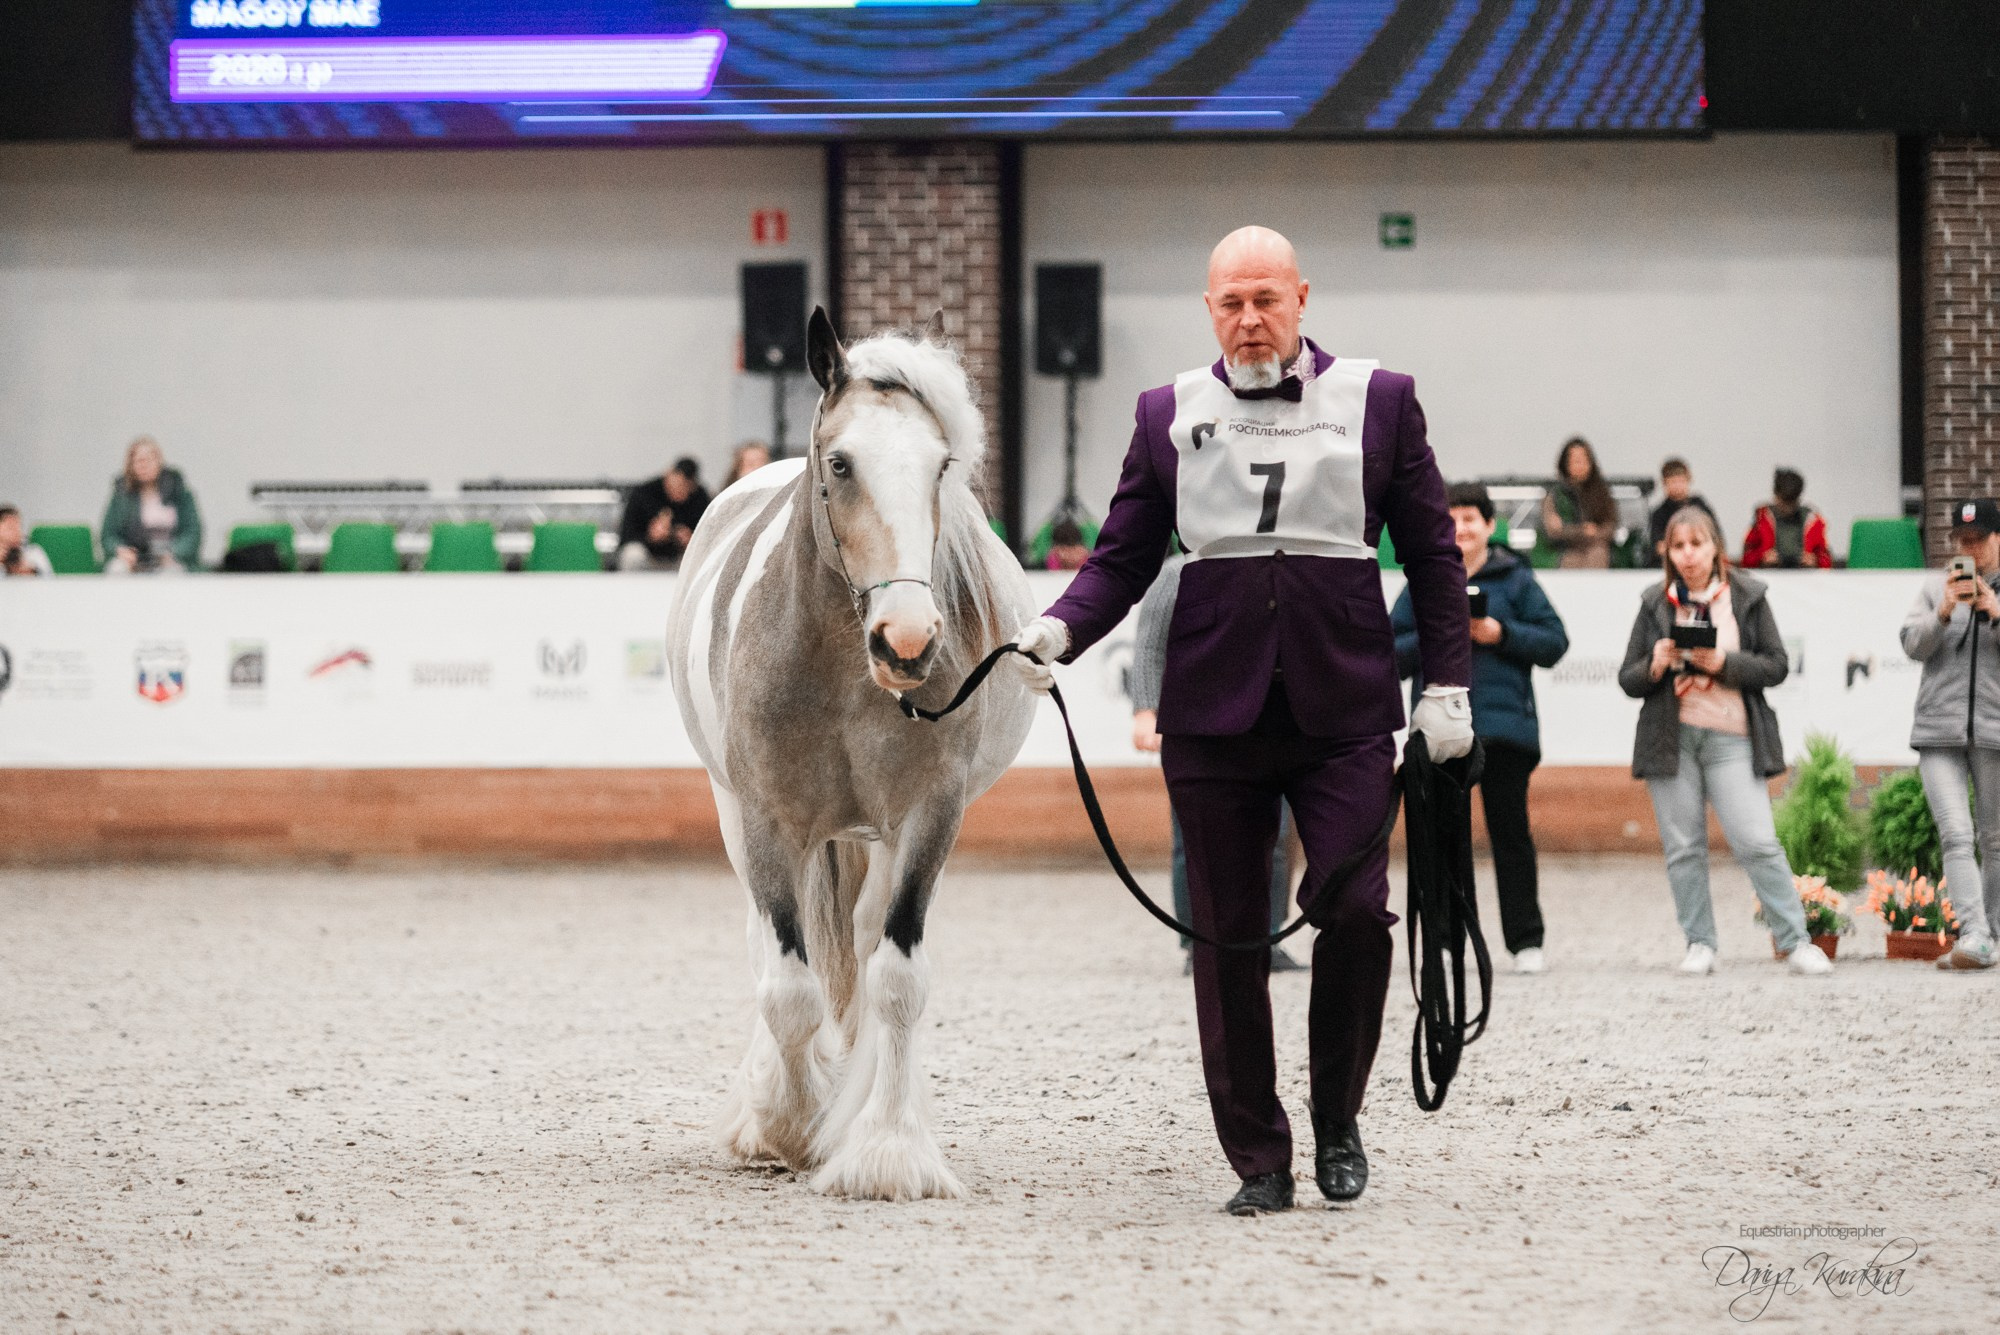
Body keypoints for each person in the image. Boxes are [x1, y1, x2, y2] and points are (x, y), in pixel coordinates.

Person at [1009, 225, 1474, 1217]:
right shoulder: (1163, 411)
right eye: (1230, 302)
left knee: (1354, 912)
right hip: (1210, 712)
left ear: (1302, 297)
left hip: (1344, 703)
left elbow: (1432, 556)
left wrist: (1446, 687)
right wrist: (1057, 629)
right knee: (1226, 938)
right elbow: (1121, 557)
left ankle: (1337, 1119)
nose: (1249, 318)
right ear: (1208, 309)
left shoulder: (1378, 400)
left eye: (1266, 297)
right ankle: (1257, 1155)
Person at [1617, 505, 1830, 977]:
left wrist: (1723, 663)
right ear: (1667, 553)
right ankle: (1700, 943)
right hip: (1671, 741)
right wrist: (1654, 665)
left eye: (1697, 543)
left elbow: (1776, 664)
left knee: (1757, 841)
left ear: (1716, 546)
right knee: (1684, 848)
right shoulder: (1655, 601)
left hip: (1732, 737)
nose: (1688, 555)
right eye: (1678, 546)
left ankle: (1795, 941)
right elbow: (1628, 679)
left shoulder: (1748, 594)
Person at [1392, 482, 1569, 974]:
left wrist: (1500, 633)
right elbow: (1387, 653)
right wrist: (1436, 635)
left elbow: (1555, 642)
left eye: (1470, 518)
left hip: (1505, 732)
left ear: (1491, 526)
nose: (1460, 528)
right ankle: (1446, 942)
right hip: (1439, 732)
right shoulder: (1422, 582)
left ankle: (1525, 942)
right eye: (1449, 519)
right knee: (1442, 837)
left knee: (1510, 836)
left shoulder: (1517, 580)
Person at [1131, 555, 1306, 976]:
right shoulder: (1173, 573)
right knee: (1192, 839)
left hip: (1269, 721)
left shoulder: (1273, 564)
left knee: (1277, 838)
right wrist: (1144, 709)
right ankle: (1198, 940)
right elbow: (1150, 644)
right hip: (1195, 726)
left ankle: (1268, 936)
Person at [1899, 497, 2000, 970]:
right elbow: (1912, 646)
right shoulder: (1932, 587)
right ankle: (1975, 934)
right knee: (1957, 835)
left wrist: (1995, 611)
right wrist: (1942, 611)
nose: (1970, 548)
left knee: (1996, 839)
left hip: (1995, 732)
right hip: (1938, 732)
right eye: (1962, 540)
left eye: (1978, 538)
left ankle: (1993, 932)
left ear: (1997, 537)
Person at [101, 436, 202, 573]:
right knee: (117, 570)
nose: (143, 464)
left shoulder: (179, 492)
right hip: (134, 559)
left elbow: (192, 532)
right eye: (138, 460)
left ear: (159, 461)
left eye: (149, 459)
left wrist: (173, 553)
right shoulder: (121, 495)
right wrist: (121, 551)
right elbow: (108, 535)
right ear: (130, 465)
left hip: (171, 558)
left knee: (172, 574)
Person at [617, 457, 711, 571]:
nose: (679, 492)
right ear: (668, 475)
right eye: (677, 485)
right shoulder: (644, 493)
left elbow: (709, 537)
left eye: (685, 489)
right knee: (632, 554)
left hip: (678, 559)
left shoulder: (700, 498)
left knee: (700, 558)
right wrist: (650, 537)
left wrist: (692, 539)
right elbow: (626, 535)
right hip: (648, 555)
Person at [1540, 436, 1617, 568]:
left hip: (1597, 548)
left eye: (1583, 460)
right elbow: (1553, 530)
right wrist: (1581, 531)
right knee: (1571, 560)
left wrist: (1595, 533)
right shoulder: (1556, 495)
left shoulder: (1602, 493)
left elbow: (1611, 526)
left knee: (1598, 553)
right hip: (1566, 550)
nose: (1580, 465)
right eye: (1575, 461)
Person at [1741, 467, 1832, 569]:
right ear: (1776, 495)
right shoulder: (1761, 519)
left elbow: (1826, 559)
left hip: (1805, 578)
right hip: (1771, 575)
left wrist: (1815, 561)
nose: (1788, 508)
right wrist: (1762, 557)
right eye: (1784, 501)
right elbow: (1747, 557)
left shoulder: (1813, 520)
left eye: (1792, 502)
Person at [1647, 457, 1715, 557]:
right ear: (1664, 483)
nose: (1677, 486)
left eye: (1681, 481)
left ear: (1689, 480)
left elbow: (1716, 538)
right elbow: (1659, 547)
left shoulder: (1701, 507)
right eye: (1673, 482)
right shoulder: (1659, 514)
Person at [0, 506, 53, 577]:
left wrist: (33, 571)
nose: (16, 531)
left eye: (19, 526)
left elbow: (49, 579)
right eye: (10, 527)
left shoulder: (33, 552)